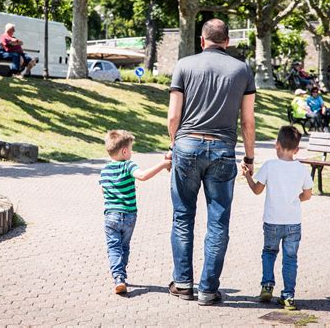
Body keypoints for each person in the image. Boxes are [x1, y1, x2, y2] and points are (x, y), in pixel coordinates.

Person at [166, 18, 256, 306]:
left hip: (187, 145)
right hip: (223, 149)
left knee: (183, 217)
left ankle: (182, 284)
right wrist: (250, 157)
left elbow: (172, 117)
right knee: (218, 222)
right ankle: (207, 289)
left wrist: (174, 145)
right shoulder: (242, 69)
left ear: (202, 41)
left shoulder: (184, 65)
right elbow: (248, 122)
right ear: (227, 42)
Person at [242, 125, 313, 311]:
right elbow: (307, 195)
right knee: (290, 259)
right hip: (293, 223)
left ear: (276, 145)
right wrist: (295, 199)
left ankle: (267, 286)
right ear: (297, 149)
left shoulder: (269, 166)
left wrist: (247, 176)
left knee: (269, 252)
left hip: (272, 221)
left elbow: (257, 190)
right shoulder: (302, 169)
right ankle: (288, 296)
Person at [100, 130, 171, 295]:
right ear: (124, 151)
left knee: (113, 247)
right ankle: (121, 276)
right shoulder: (128, 164)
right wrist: (163, 164)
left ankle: (118, 278)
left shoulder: (104, 171)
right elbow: (143, 176)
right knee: (124, 246)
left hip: (110, 215)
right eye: (130, 149)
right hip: (129, 215)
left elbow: (104, 192)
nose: (131, 153)